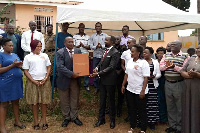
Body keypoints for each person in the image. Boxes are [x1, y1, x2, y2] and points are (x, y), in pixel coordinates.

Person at [159, 40, 189, 133]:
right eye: (171, 44)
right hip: (167, 83)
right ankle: (173, 126)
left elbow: (185, 70)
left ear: (180, 46)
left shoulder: (185, 56)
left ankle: (180, 127)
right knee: (170, 105)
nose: (172, 45)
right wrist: (167, 66)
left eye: (174, 44)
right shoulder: (166, 55)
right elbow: (161, 67)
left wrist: (174, 67)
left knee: (179, 106)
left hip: (179, 83)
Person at [91, 36, 120, 129]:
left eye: (106, 40)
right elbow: (101, 62)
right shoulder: (105, 50)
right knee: (102, 101)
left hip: (110, 80)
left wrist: (98, 73)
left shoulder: (115, 52)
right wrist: (96, 68)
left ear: (111, 41)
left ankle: (112, 120)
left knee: (111, 101)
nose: (105, 41)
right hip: (102, 80)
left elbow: (111, 67)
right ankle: (101, 119)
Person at [23, 39, 51, 130]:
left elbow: (48, 67)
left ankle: (44, 121)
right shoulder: (28, 57)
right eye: (37, 46)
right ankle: (35, 121)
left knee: (44, 102)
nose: (39, 48)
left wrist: (46, 77)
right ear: (33, 47)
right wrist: (33, 81)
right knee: (34, 103)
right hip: (33, 82)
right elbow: (26, 71)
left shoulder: (44, 55)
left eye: (40, 46)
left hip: (44, 82)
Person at [121, 44, 150, 133]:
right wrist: (123, 85)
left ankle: (143, 129)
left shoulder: (143, 63)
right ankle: (132, 126)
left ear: (138, 53)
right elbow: (126, 74)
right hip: (130, 89)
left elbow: (146, 78)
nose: (131, 53)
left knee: (141, 110)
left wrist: (142, 91)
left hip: (140, 91)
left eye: (133, 52)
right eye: (131, 51)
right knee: (131, 109)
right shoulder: (129, 61)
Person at [0, 38, 25, 133]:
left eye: (12, 45)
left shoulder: (15, 55)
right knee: (4, 104)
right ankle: (2, 127)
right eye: (9, 46)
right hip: (5, 82)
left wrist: (20, 65)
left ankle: (17, 121)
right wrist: (12, 65)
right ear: (3, 46)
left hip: (16, 82)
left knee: (16, 102)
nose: (12, 47)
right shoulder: (0, 55)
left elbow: (18, 66)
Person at [56, 37, 82, 128]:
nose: (71, 43)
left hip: (75, 81)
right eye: (69, 42)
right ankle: (66, 117)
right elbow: (60, 67)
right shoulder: (60, 52)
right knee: (64, 100)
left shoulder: (78, 51)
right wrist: (72, 74)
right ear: (64, 43)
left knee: (75, 99)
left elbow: (81, 64)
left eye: (72, 42)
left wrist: (82, 72)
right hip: (63, 79)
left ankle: (74, 117)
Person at [181, 45, 200, 133]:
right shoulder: (191, 59)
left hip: (197, 88)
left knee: (196, 107)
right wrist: (189, 75)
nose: (198, 50)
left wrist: (197, 75)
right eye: (197, 48)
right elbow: (182, 71)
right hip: (188, 88)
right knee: (188, 107)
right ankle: (188, 129)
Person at [143, 47, 161, 130]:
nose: (144, 54)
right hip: (142, 85)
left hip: (152, 85)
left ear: (151, 54)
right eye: (143, 53)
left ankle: (152, 122)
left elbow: (159, 74)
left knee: (152, 104)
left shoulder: (155, 62)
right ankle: (143, 121)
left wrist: (153, 77)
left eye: (146, 53)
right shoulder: (141, 62)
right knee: (143, 103)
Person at [89, 22, 108, 95]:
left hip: (103, 56)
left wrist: (101, 46)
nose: (97, 28)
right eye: (96, 26)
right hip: (96, 56)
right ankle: (97, 87)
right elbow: (90, 46)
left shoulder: (105, 35)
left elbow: (108, 45)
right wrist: (96, 47)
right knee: (95, 72)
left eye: (99, 26)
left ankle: (103, 87)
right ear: (95, 27)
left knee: (103, 72)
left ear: (101, 27)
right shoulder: (93, 36)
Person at [120, 38, 136, 122]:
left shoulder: (139, 53)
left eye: (129, 43)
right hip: (127, 77)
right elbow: (122, 64)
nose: (128, 44)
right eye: (127, 43)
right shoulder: (125, 53)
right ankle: (130, 115)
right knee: (128, 98)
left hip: (137, 78)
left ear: (134, 43)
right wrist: (126, 71)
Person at [73, 23, 90, 91]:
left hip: (85, 54)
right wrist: (78, 46)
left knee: (86, 71)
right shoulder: (75, 36)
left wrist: (84, 46)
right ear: (78, 28)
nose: (82, 29)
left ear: (84, 28)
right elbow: (73, 47)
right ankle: (78, 84)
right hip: (77, 55)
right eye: (80, 27)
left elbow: (89, 47)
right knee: (77, 70)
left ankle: (86, 85)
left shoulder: (87, 37)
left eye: (83, 27)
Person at [114, 35, 127, 117]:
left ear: (120, 40)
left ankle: (119, 109)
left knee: (120, 93)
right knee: (112, 91)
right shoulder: (112, 48)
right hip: (112, 72)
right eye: (115, 39)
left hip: (121, 73)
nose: (116, 40)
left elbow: (125, 62)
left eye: (118, 39)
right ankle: (111, 108)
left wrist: (120, 70)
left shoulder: (124, 48)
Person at [156, 47, 168, 123]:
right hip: (156, 82)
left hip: (164, 81)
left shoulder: (166, 62)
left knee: (163, 99)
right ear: (156, 54)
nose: (160, 55)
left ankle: (164, 118)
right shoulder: (154, 62)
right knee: (157, 99)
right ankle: (157, 117)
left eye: (162, 53)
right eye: (159, 53)